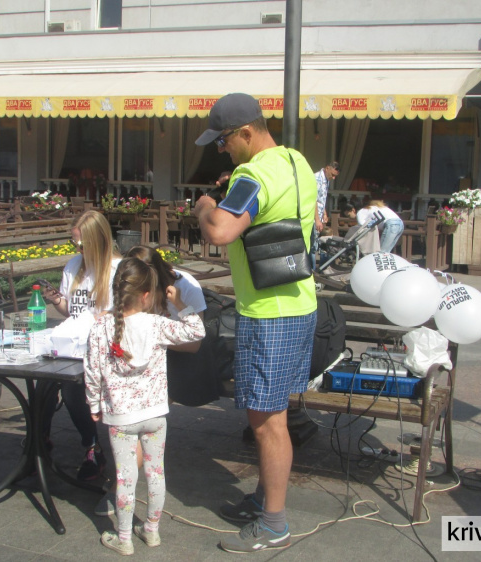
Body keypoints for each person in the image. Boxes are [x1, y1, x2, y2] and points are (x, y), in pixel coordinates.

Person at [193, 93, 317, 554]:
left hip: (268, 314)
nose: (222, 149)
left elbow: (222, 230)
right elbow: (314, 218)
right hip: (300, 303)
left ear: (247, 132)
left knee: (267, 422)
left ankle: (274, 524)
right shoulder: (296, 162)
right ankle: (267, 499)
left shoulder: (252, 173)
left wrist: (207, 203)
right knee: (276, 414)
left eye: (224, 140)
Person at [84, 257, 205, 556]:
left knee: (126, 478)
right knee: (156, 473)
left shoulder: (100, 329)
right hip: (155, 415)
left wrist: (93, 403)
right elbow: (196, 332)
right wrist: (179, 305)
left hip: (121, 417)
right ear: (147, 294)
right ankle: (151, 531)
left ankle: (123, 537)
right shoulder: (157, 325)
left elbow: (92, 371)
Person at [40, 210, 121, 480]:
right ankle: (40, 438)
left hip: (104, 347)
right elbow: (72, 313)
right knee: (44, 380)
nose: (77, 248)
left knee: (73, 389)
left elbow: (124, 317)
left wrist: (103, 320)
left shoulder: (116, 269)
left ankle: (92, 447)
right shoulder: (74, 266)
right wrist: (56, 300)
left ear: (98, 241)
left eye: (81, 242)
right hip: (73, 342)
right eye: (74, 241)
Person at [311, 162, 340, 269]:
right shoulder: (316, 178)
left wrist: (324, 213)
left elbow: (322, 199)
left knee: (316, 244)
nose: (333, 178)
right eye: (332, 175)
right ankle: (312, 270)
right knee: (313, 246)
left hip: (319, 215)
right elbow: (313, 200)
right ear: (327, 168)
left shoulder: (326, 180)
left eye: (335, 176)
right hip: (312, 218)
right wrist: (317, 219)